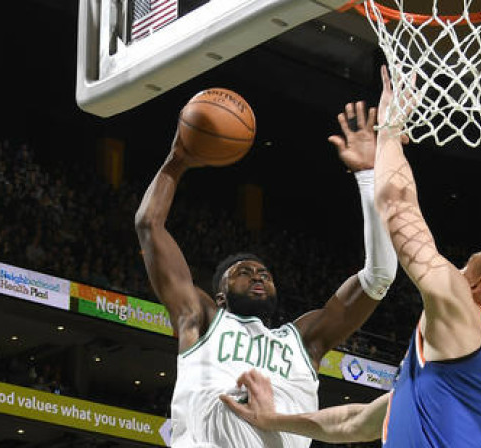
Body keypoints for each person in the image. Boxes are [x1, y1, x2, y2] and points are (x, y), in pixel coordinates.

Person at [220, 66, 481, 447]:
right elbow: (353, 423)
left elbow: (398, 205)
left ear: (476, 286)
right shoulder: (465, 370)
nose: (452, 271)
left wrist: (391, 130)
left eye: (463, 267)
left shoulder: (465, 315)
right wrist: (273, 419)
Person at [134, 99, 398, 448]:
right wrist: (176, 162)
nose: (259, 276)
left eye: (265, 273)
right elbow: (149, 225)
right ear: (220, 296)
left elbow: (379, 275)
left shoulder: (305, 339)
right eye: (244, 272)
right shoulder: (200, 319)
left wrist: (368, 176)